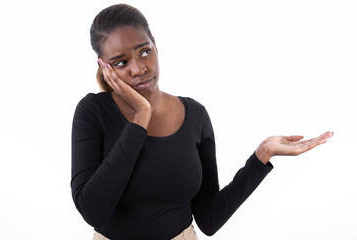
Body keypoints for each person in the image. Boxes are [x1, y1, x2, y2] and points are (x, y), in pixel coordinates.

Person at [70, 4, 333, 240]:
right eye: (121, 62)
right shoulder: (93, 112)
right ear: (104, 66)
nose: (138, 68)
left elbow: (209, 219)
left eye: (145, 51)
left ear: (156, 46)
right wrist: (141, 116)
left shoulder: (194, 115)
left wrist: (262, 155)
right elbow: (93, 211)